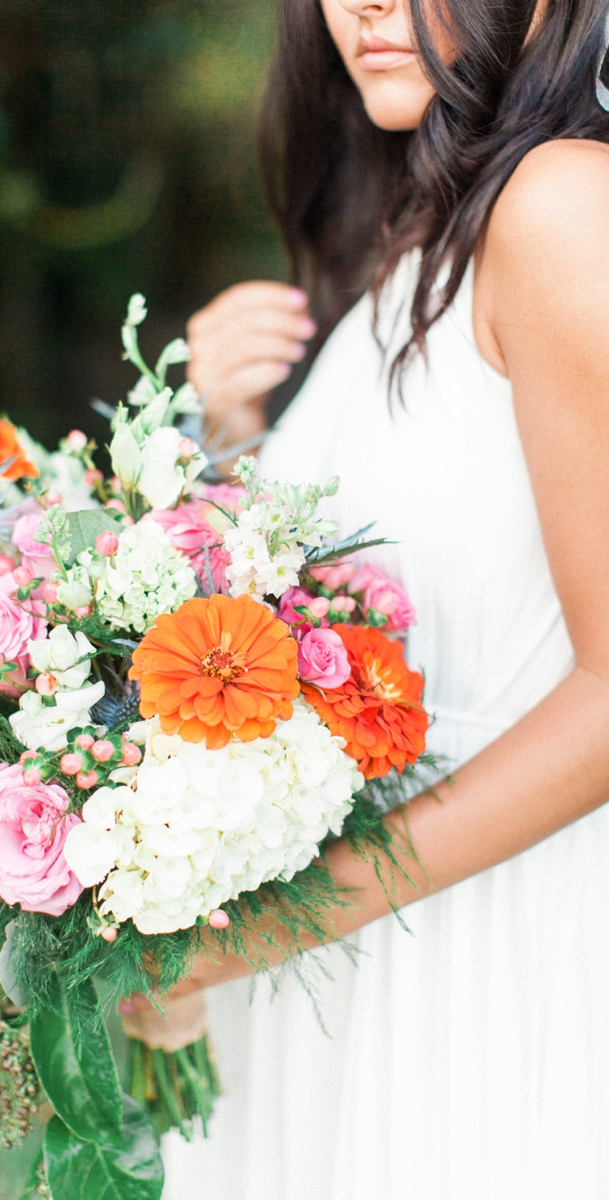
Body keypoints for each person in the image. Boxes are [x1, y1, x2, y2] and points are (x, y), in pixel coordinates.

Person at [134, 1, 609, 1196]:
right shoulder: (420, 239)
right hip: (357, 940)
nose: (361, 4)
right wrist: (231, 438)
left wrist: (240, 937)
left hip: (482, 948)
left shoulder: (559, 205)